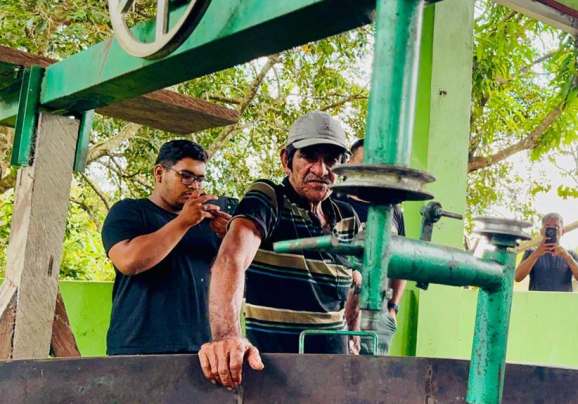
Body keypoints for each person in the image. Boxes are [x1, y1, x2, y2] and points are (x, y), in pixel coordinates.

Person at [198, 111, 361, 389]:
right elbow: (231, 259)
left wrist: (352, 334)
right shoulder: (269, 198)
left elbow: (355, 280)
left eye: (331, 161)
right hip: (275, 374)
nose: (321, 170)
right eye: (309, 157)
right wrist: (227, 336)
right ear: (286, 159)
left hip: (333, 370)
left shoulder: (346, 217)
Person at [101, 140, 230, 355]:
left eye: (199, 179)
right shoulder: (130, 211)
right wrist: (183, 222)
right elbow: (128, 261)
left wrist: (230, 238)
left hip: (202, 350)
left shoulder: (208, 222)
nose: (194, 185)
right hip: (138, 348)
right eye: (186, 176)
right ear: (159, 173)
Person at [333, 138, 407, 355]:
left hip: (379, 311)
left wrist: (393, 307)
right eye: (363, 162)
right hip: (336, 308)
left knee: (373, 381)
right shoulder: (334, 203)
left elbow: (401, 262)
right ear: (350, 165)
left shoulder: (392, 211)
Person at [514, 213, 578, 291]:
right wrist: (535, 254)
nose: (552, 231)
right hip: (537, 302)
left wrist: (567, 257)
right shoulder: (531, 252)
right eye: (547, 227)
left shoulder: (571, 255)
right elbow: (517, 277)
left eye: (556, 227)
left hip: (563, 302)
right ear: (542, 231)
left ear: (562, 232)